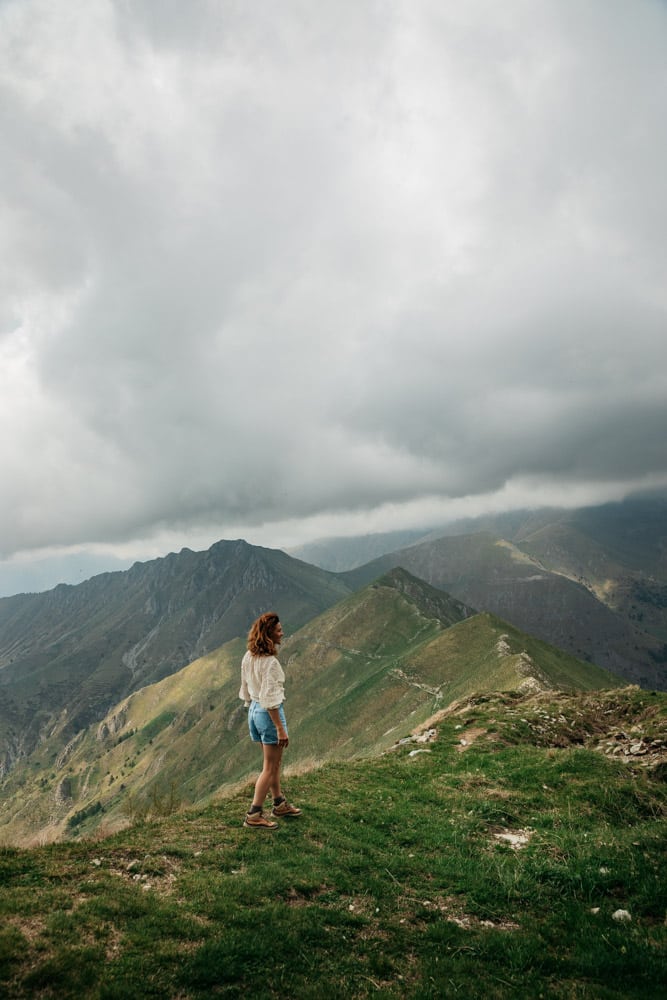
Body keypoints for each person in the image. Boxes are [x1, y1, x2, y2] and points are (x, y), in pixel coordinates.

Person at [239, 611, 302, 829]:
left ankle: (279, 803)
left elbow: (246, 687)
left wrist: (254, 708)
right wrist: (280, 728)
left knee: (274, 763)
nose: (282, 633)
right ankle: (254, 813)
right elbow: (271, 700)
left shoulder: (249, 656)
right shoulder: (270, 663)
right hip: (268, 714)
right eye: (278, 630)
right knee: (269, 766)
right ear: (268, 634)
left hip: (255, 711)